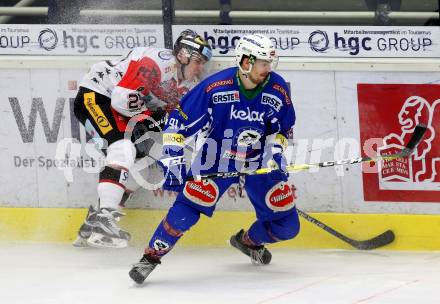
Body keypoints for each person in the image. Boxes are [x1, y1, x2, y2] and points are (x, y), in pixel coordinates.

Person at [129, 34, 300, 284]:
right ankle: (151, 257)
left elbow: (284, 128)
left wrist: (276, 152)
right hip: (217, 156)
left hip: (259, 158)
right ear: (245, 62)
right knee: (187, 209)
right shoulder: (214, 87)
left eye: (269, 62)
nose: (268, 68)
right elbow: (177, 125)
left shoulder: (277, 87)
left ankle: (248, 241)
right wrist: (174, 161)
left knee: (288, 226)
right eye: (263, 62)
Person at [72, 30, 212, 248]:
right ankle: (103, 220)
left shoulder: (188, 87)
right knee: (122, 148)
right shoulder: (156, 62)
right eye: (198, 61)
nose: (200, 67)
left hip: (122, 110)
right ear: (183, 56)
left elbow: (177, 122)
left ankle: (93, 224)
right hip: (97, 96)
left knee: (142, 170)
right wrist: (154, 118)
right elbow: (121, 100)